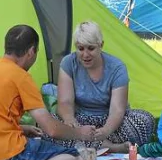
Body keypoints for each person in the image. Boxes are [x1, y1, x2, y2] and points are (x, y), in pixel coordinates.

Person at [0, 25, 98, 160]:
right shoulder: (20, 76)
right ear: (31, 51)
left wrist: (21, 129)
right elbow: (51, 130)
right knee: (76, 158)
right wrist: (80, 133)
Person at [48, 21, 156, 152]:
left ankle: (90, 144)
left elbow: (117, 110)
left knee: (145, 120)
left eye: (91, 48)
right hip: (80, 120)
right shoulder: (68, 63)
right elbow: (64, 102)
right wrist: (70, 121)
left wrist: (106, 130)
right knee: (49, 125)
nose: (85, 54)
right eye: (80, 49)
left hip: (110, 120)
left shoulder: (117, 67)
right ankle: (111, 147)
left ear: (101, 46)